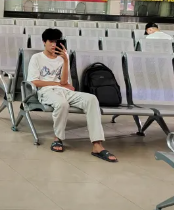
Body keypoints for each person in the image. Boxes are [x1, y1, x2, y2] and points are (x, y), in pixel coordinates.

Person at [27, 28, 117, 162]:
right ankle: (58, 138)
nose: (54, 45)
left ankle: (97, 145)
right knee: (62, 104)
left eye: (56, 42)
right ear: (44, 42)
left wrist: (65, 60)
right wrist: (57, 84)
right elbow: (34, 82)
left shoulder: (63, 58)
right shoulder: (37, 58)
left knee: (91, 99)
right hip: (46, 91)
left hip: (65, 91)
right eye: (51, 41)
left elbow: (65, 82)